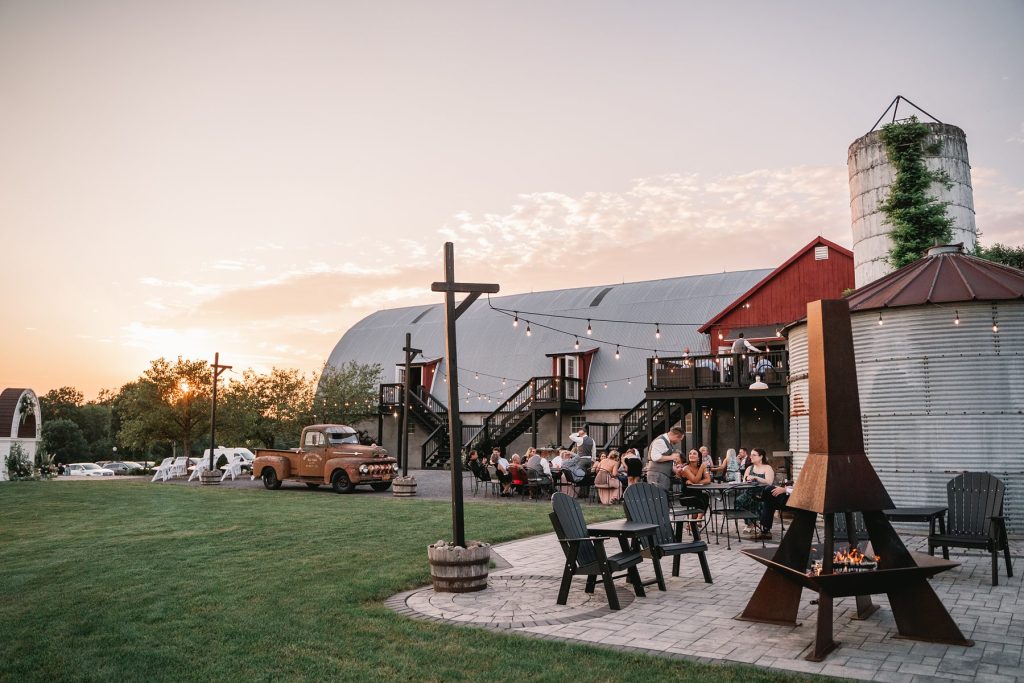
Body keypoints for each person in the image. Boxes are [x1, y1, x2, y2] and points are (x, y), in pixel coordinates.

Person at [740, 448, 775, 538]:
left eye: (754, 455)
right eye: (751, 455)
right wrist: (747, 480)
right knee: (739, 500)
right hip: (749, 492)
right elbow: (744, 482)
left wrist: (757, 478)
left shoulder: (767, 468)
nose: (751, 457)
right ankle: (750, 523)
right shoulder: (749, 468)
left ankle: (757, 524)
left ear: (761, 457)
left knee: (757, 501)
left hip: (762, 494)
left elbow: (769, 482)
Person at [644, 426, 684, 491]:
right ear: (676, 436)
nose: (679, 441)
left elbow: (664, 459)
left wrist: (673, 469)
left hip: (661, 475)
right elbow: (655, 457)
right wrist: (671, 457)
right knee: (658, 497)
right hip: (657, 475)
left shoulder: (667, 442)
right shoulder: (660, 441)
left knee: (661, 498)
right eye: (680, 439)